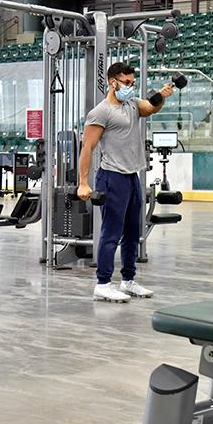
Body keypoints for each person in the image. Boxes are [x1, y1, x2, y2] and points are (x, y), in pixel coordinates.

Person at [77, 62, 174, 303]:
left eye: (132, 82)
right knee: (111, 233)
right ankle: (103, 283)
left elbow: (150, 108)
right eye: (127, 83)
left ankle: (128, 281)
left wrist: (161, 95)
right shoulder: (101, 111)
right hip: (111, 176)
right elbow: (87, 147)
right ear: (113, 82)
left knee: (133, 233)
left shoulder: (131, 104)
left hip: (132, 176)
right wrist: (83, 182)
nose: (131, 87)